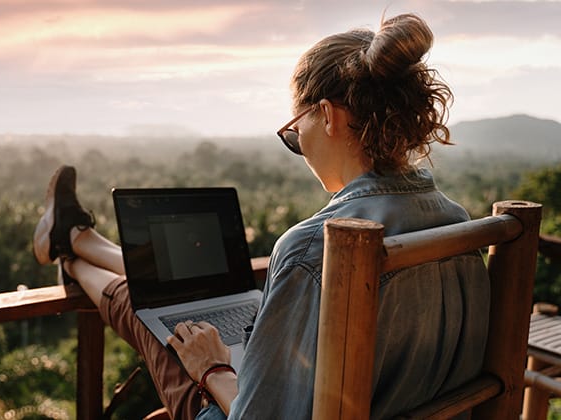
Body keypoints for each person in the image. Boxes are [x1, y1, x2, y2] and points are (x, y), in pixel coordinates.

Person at [32, 13, 489, 420]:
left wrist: (212, 368)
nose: (299, 147)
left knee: (150, 308)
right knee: (169, 300)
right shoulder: (459, 224)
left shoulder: (314, 249)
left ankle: (71, 251)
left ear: (327, 116)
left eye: (295, 132)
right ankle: (77, 242)